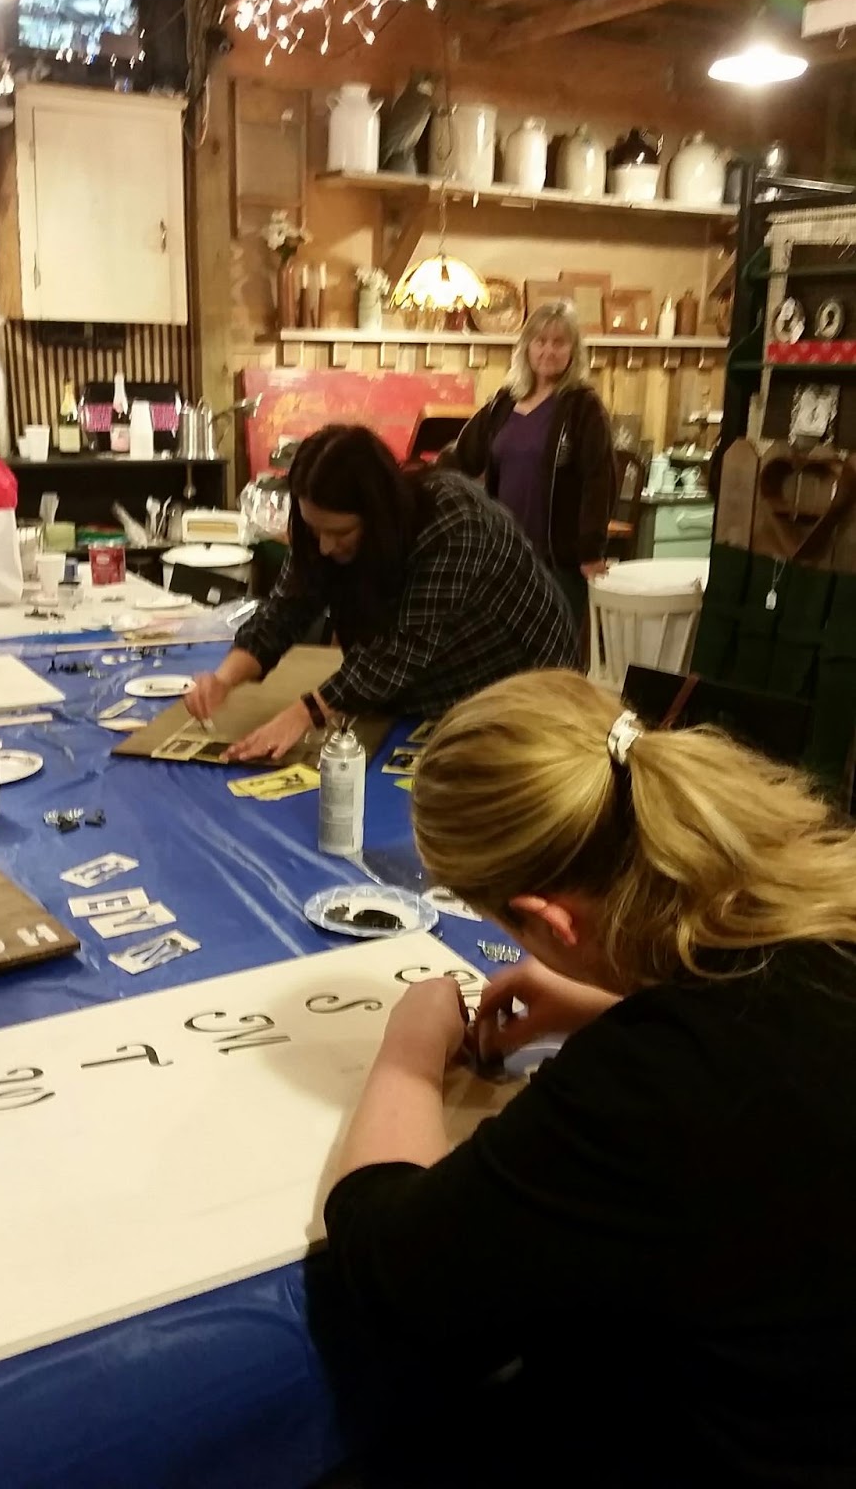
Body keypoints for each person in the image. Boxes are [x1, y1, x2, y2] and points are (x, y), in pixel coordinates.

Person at [318, 671, 856, 1487]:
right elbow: (782, 1039)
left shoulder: (660, 1082)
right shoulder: (822, 892)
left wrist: (410, 1054)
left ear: (551, 921)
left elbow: (394, 1275)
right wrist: (614, 1002)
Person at [185, 425, 577, 761]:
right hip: (423, 687)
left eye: (340, 533)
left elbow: (399, 651)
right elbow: (284, 609)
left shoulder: (454, 521)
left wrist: (305, 713)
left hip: (522, 680)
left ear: (378, 515)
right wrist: (223, 679)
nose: (324, 546)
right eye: (315, 529)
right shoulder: (320, 532)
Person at [448, 299, 616, 627]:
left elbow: (599, 481)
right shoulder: (503, 403)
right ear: (526, 346)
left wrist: (590, 552)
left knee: (553, 650)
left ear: (573, 351)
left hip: (558, 563)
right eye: (540, 341)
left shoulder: (583, 407)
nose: (548, 351)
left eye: (559, 342)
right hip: (503, 559)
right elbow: (461, 458)